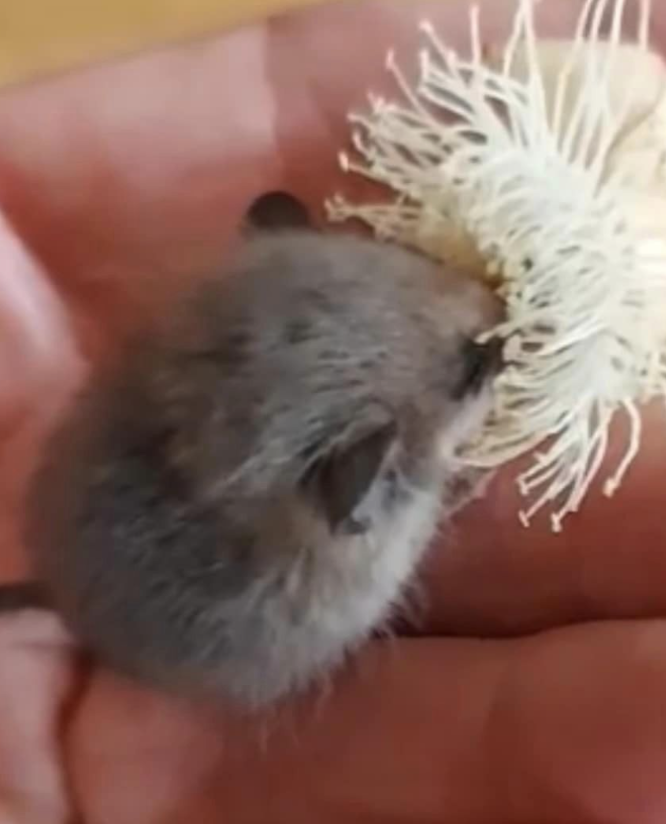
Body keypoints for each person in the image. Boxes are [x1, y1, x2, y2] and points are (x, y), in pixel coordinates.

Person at [0, 0, 665, 820]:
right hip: (206, 622)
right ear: (373, 480)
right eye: (474, 366)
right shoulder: (337, 519)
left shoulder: (274, 393)